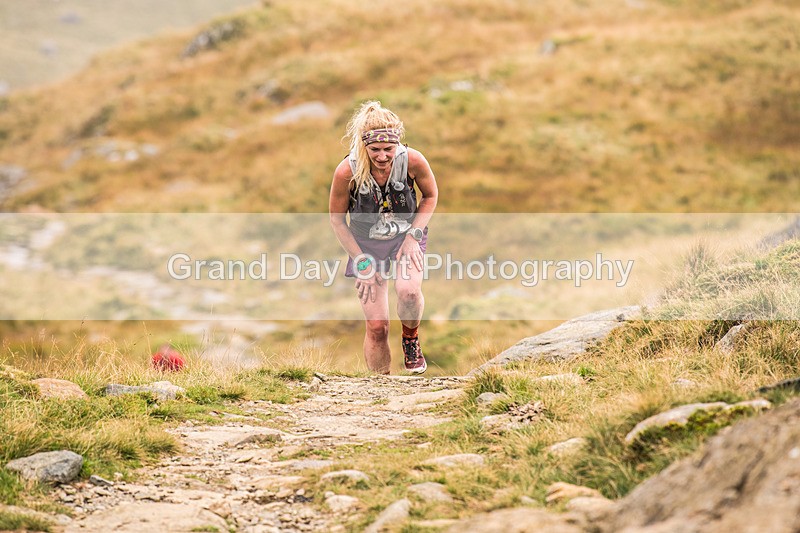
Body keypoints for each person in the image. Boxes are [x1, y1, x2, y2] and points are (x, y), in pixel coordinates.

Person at [329, 101, 438, 375]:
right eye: (375, 149)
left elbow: (431, 196)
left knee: (409, 293)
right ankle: (381, 386)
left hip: (406, 236)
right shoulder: (346, 171)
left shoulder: (413, 160)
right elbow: (337, 220)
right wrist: (361, 262)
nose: (382, 156)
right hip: (365, 245)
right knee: (377, 326)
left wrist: (413, 237)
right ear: (363, 145)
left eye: (388, 149)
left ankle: (411, 340)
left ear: (397, 143)